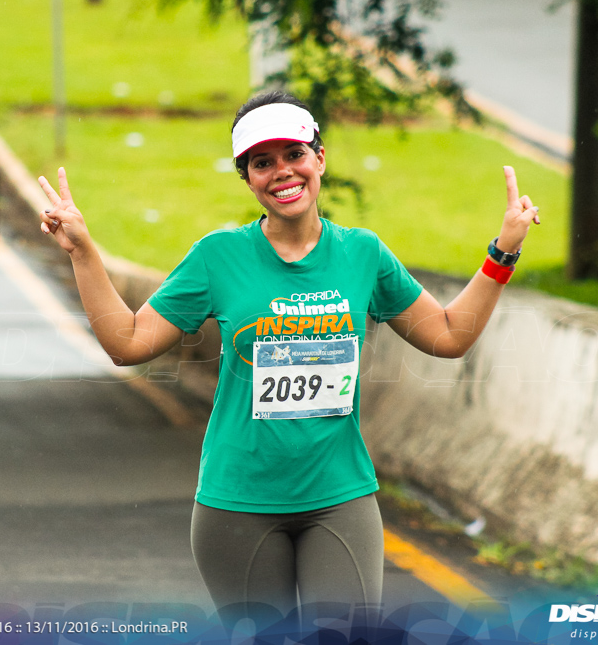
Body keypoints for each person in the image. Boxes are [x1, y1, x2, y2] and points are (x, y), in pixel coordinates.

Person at [36, 91, 540, 627]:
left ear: (319, 158)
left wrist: (503, 251)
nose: (282, 172)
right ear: (247, 178)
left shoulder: (362, 253)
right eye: (262, 162)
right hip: (238, 503)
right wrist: (84, 253)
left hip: (338, 497)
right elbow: (128, 343)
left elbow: (447, 335)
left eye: (293, 154)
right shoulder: (217, 257)